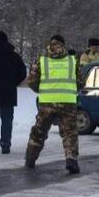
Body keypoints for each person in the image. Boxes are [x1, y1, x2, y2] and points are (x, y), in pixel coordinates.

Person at [25, 34, 82, 173]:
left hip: (47, 102)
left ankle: (30, 158)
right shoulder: (73, 61)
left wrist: (43, 90)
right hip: (68, 101)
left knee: (39, 131)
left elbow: (31, 82)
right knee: (69, 132)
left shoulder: (41, 61)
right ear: (63, 45)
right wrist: (71, 91)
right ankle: (71, 159)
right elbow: (81, 81)